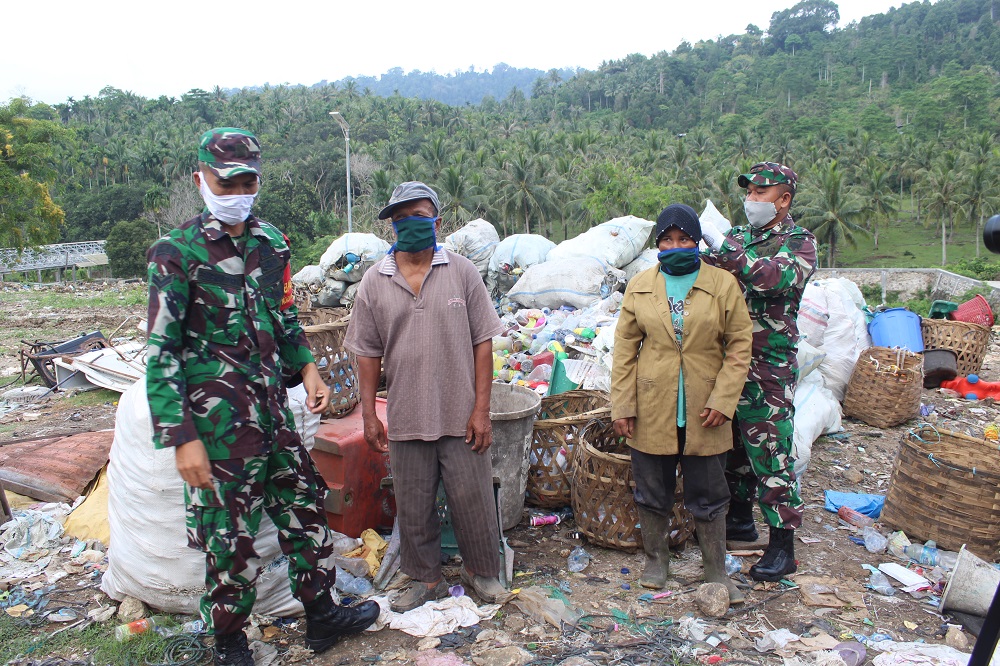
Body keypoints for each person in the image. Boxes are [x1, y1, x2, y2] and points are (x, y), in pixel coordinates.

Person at [146, 128, 379, 666]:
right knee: (228, 542)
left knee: (306, 515)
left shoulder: (271, 243)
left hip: (274, 417)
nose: (237, 192)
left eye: (247, 181)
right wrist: (182, 439)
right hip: (218, 430)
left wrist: (308, 368)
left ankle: (322, 615)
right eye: (226, 183)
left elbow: (284, 315)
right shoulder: (176, 254)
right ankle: (229, 640)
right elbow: (162, 354)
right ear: (200, 178)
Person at [344, 181, 512, 612]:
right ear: (392, 227)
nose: (409, 225)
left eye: (418, 216)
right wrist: (368, 415)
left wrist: (481, 409)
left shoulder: (462, 272)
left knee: (471, 499)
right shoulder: (374, 281)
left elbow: (483, 342)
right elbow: (366, 352)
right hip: (407, 413)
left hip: (460, 413)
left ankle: (482, 571)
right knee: (414, 504)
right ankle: (426, 578)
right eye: (400, 219)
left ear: (436, 222)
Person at [611, 204, 752, 604]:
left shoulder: (722, 284)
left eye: (684, 239)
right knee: (652, 490)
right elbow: (624, 351)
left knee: (708, 492)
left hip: (706, 405)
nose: (676, 246)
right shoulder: (639, 286)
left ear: (697, 241)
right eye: (668, 240)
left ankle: (716, 571)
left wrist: (725, 400)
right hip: (652, 403)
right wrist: (622, 406)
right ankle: (657, 561)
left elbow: (740, 345)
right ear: (658, 244)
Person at [700, 161, 818, 582]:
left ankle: (783, 546)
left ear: (784, 199)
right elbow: (713, 270)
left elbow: (771, 279)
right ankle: (739, 521)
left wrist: (735, 259)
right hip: (726, 360)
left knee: (769, 452)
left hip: (767, 365)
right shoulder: (738, 237)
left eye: (761, 193)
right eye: (748, 192)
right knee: (732, 448)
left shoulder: (799, 243)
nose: (752, 199)